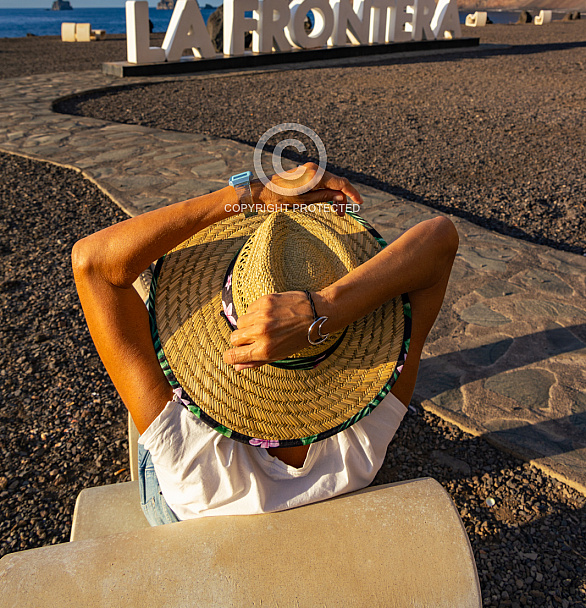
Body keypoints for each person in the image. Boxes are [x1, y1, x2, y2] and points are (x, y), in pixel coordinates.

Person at [72, 163, 459, 524]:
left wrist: (253, 194)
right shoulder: (364, 438)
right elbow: (441, 238)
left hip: (189, 508)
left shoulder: (190, 456)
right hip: (336, 460)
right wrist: (325, 311)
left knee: (142, 305)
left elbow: (92, 262)